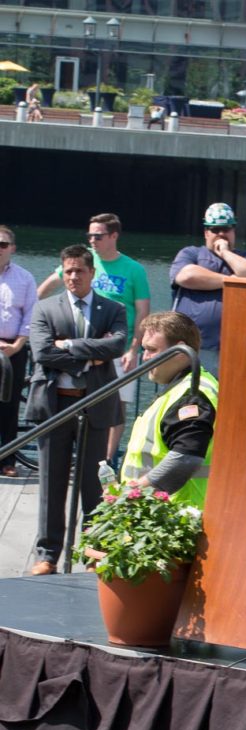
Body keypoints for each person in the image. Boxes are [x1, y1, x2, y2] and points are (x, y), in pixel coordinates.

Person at [26, 245, 126, 575]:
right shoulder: (44, 308)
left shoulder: (112, 309)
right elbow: (41, 352)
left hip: (94, 404)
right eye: (67, 271)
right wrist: (89, 356)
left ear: (91, 273)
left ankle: (93, 550)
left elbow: (116, 345)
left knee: (92, 484)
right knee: (51, 484)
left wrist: (67, 345)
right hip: (55, 405)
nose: (72, 277)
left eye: (78, 271)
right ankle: (48, 553)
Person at [38, 212, 152, 464]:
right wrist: (35, 317)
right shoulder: (83, 263)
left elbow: (143, 311)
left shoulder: (134, 269)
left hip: (118, 348)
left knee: (117, 404)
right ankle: (73, 453)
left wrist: (134, 349)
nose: (92, 240)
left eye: (98, 235)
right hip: (79, 347)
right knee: (75, 395)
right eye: (89, 235)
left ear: (114, 235)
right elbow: (47, 287)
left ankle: (105, 460)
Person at [120, 311, 217, 507]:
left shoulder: (192, 395)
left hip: (175, 516)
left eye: (152, 350)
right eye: (143, 350)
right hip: (157, 512)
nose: (145, 358)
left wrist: (134, 494)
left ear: (180, 352)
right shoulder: (181, 389)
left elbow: (185, 458)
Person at [169, 202, 246, 376]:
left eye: (227, 229)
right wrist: (232, 281)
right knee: (189, 400)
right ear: (206, 232)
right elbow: (186, 276)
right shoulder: (191, 253)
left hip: (235, 349)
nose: (221, 234)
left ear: (234, 231)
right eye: (215, 230)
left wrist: (226, 252)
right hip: (193, 347)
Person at [0, 225, 37, 476]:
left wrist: (18, 344)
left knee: (10, 406)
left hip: (14, 348)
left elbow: (31, 315)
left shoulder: (25, 278)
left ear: (12, 248)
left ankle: (7, 461)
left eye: (3, 244)